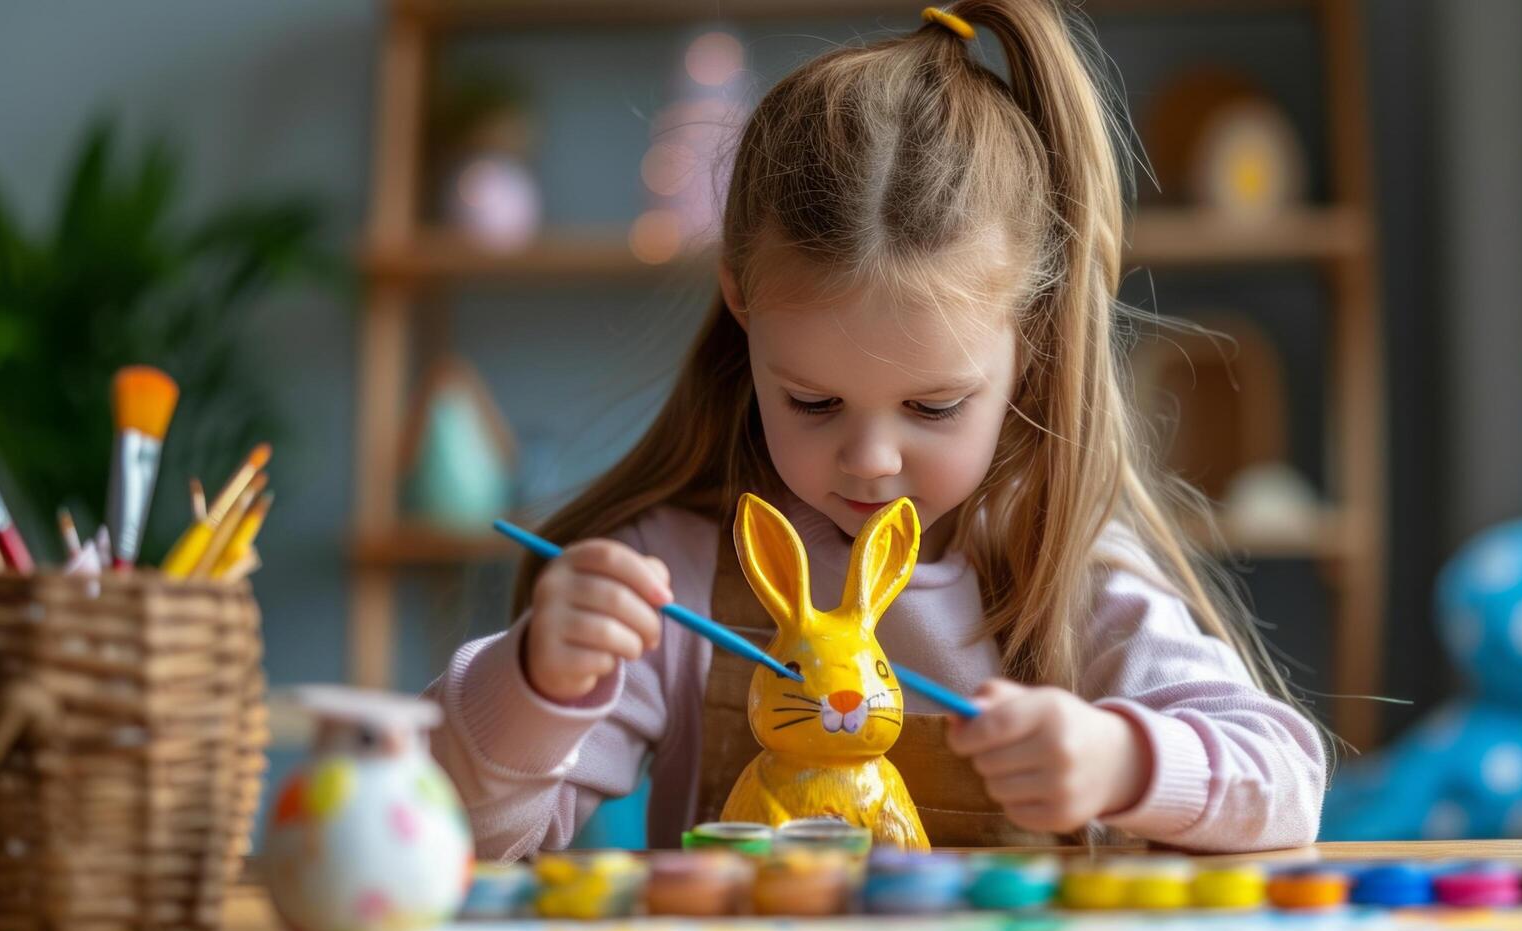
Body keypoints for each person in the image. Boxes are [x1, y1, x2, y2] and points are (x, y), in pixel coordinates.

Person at [428, 0, 1326, 860]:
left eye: (933, 408)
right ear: (742, 303)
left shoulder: (1067, 575)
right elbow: (446, 833)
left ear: (1033, 333)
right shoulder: (677, 575)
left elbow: (1286, 781)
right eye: (814, 403)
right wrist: (538, 680)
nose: (869, 461)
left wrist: (1120, 761)